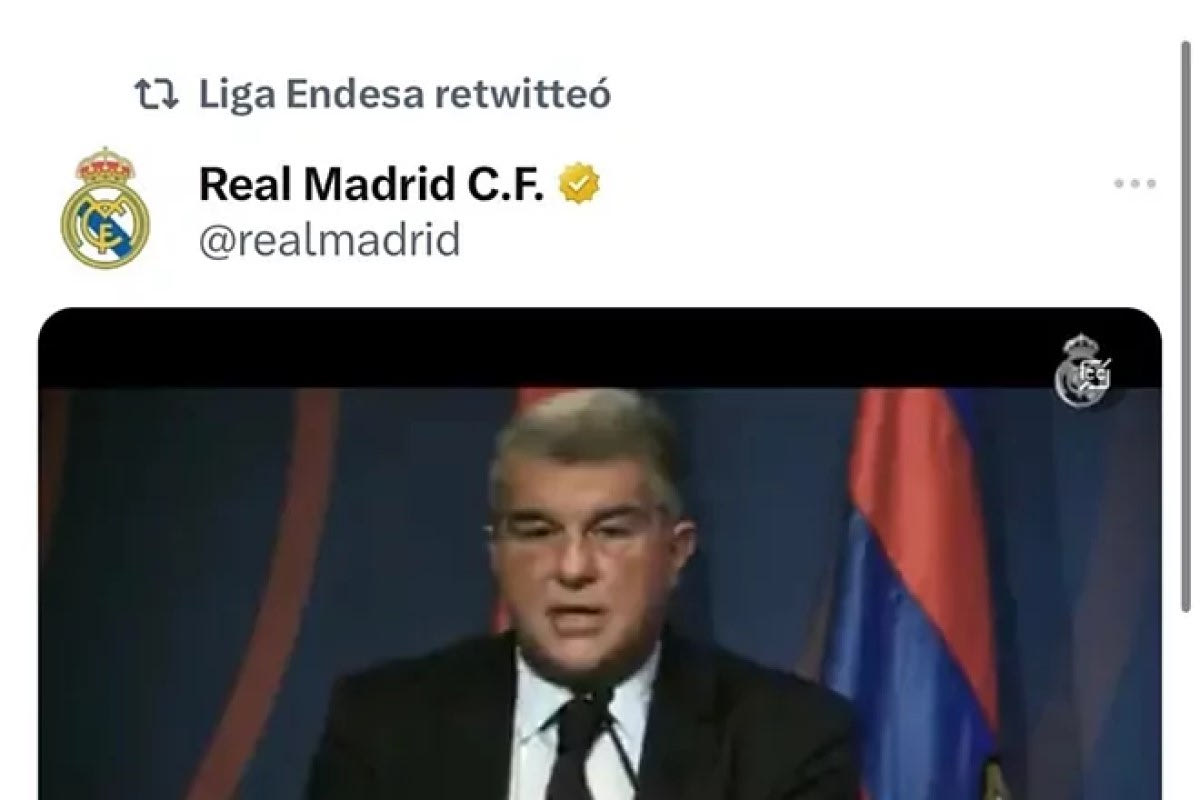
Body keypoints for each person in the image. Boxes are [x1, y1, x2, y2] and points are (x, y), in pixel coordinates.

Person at [305, 388, 859, 799]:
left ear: (676, 551)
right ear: (496, 552)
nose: (572, 569)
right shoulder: (383, 729)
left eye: (611, 531)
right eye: (537, 532)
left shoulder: (787, 742)